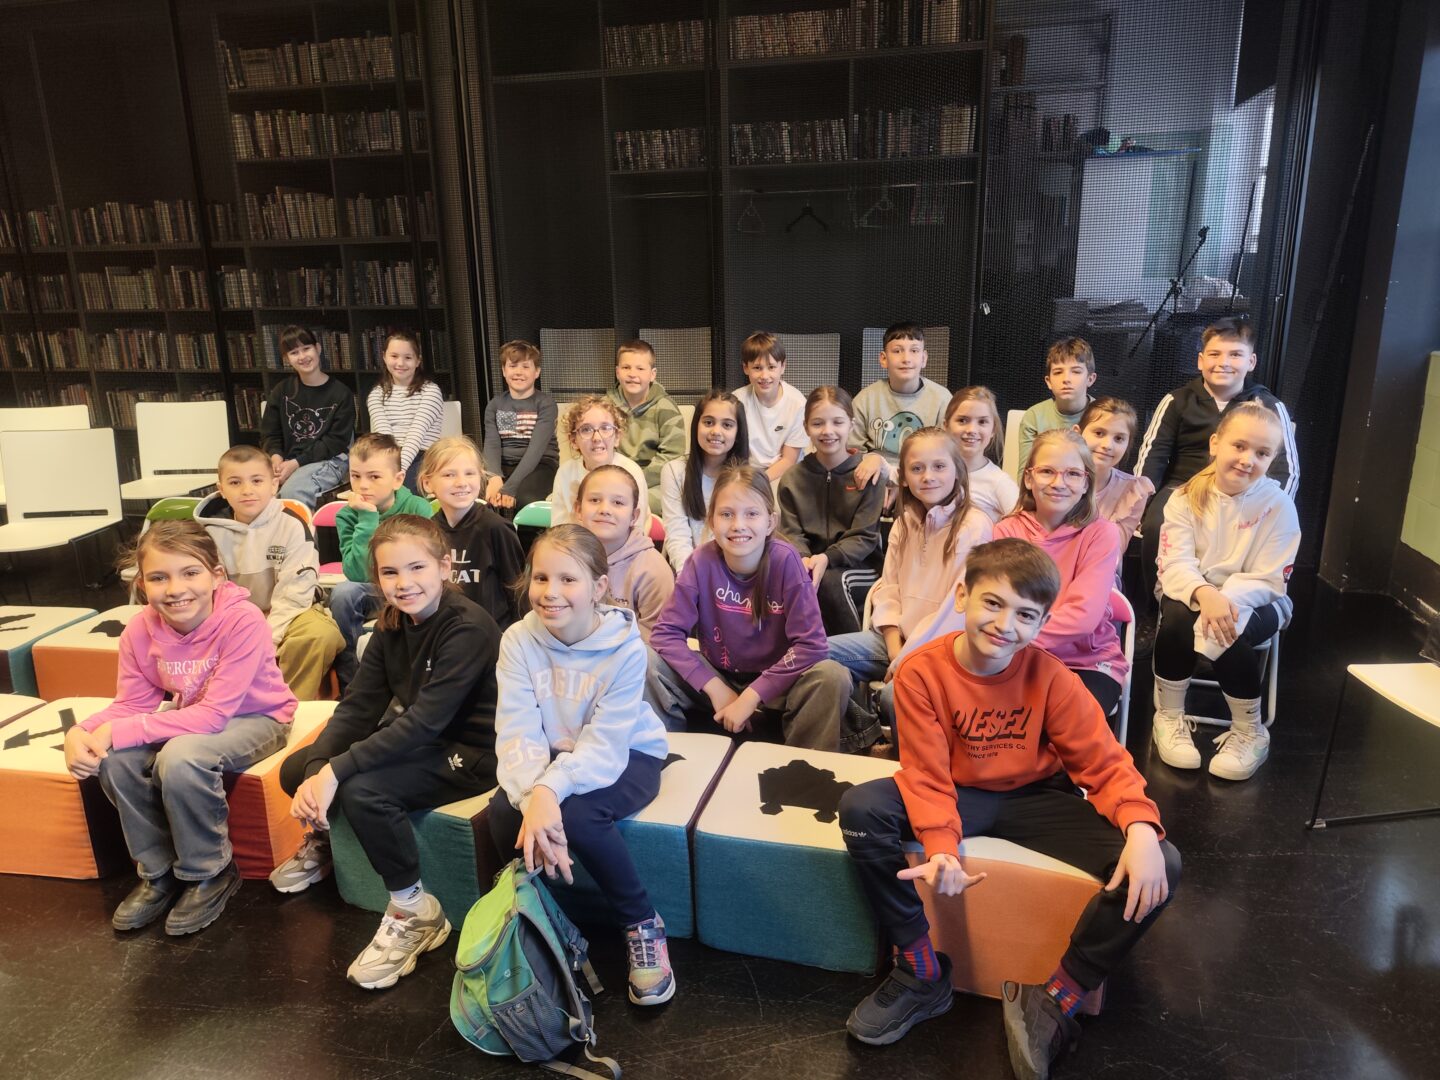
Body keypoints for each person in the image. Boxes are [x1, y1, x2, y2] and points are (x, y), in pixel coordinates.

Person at [838, 538, 1180, 1080]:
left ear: (1042, 622)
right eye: (992, 603)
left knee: (1164, 861)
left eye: (1025, 614)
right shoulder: (922, 672)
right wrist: (942, 849)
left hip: (1033, 798)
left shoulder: (1052, 676)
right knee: (862, 809)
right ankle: (922, 971)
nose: (1004, 625)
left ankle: (1055, 999)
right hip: (956, 793)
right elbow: (925, 774)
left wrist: (1140, 826)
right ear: (962, 596)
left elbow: (1104, 761)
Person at [271, 515, 500, 989]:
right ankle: (327, 836)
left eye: (417, 568)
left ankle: (416, 911)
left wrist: (337, 772)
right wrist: (319, 769)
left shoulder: (468, 627)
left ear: (444, 567)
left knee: (364, 792)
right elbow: (358, 707)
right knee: (296, 769)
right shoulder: (392, 622)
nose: (404, 582)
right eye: (390, 572)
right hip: (422, 738)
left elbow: (427, 720)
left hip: (472, 752)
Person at [63, 522, 296, 936]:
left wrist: (120, 730)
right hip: (193, 718)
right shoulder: (139, 630)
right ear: (141, 585)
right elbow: (132, 704)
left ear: (216, 576)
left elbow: (214, 716)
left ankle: (210, 871)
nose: (175, 589)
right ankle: (158, 872)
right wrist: (81, 732)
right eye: (158, 577)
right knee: (116, 761)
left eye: (190, 573)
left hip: (258, 718)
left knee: (180, 758)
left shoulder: (242, 620)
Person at [489, 524, 673, 1005]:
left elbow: (606, 743)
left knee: (581, 816)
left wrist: (550, 792)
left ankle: (642, 922)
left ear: (598, 586)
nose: (551, 592)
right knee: (504, 812)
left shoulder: (626, 648)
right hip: (555, 753)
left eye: (568, 579)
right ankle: (540, 922)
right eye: (541, 578)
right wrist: (533, 794)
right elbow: (517, 729)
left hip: (628, 751)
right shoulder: (517, 640)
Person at [647, 465, 862, 751]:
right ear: (711, 521)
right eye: (726, 514)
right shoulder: (700, 561)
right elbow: (665, 635)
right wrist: (716, 689)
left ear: (771, 522)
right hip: (720, 675)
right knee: (647, 660)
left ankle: (802, 766)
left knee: (832, 676)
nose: (738, 525)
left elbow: (812, 646)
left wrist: (751, 697)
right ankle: (669, 752)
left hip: (777, 683)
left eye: (751, 514)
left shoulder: (787, 561)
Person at [1152, 401, 1300, 781]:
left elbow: (1270, 579)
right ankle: (1168, 716)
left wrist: (1225, 601)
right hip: (1196, 593)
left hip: (1262, 599)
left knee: (1227, 626)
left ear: (1272, 459)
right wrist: (1207, 595)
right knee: (1176, 618)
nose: (1248, 459)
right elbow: (1174, 563)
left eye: (1262, 453)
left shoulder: (1279, 506)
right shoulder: (1184, 497)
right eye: (1239, 446)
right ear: (1215, 443)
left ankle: (1251, 732)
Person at [827, 428, 993, 723]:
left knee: (896, 696)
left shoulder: (974, 527)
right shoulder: (903, 524)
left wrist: (907, 659)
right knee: (814, 655)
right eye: (917, 469)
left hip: (945, 651)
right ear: (903, 477)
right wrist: (895, 649)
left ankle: (909, 753)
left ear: (958, 470)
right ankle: (863, 734)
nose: (928, 476)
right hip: (896, 641)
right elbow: (889, 589)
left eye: (939, 466)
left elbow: (955, 612)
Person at [1134, 318, 1298, 595]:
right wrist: (1142, 505)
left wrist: (1271, 507)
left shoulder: (1270, 406)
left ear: (1251, 362)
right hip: (1182, 488)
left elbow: (1287, 469)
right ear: (1200, 361)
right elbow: (1153, 455)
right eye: (1214, 354)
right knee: (1157, 522)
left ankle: (1232, 598)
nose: (1223, 362)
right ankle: (1159, 603)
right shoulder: (1176, 401)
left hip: (1246, 491)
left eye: (1235, 354)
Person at [195, 444, 343, 699]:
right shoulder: (208, 534)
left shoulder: (291, 525)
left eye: (257, 481)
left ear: (274, 485)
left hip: (289, 612)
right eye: (235, 482)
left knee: (320, 635)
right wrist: (246, 631)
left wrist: (267, 638)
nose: (247, 490)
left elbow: (294, 593)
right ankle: (230, 704)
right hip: (233, 618)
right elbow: (209, 595)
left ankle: (288, 705)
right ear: (221, 490)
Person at [995, 431, 1127, 715]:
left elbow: (1082, 616)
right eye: (1047, 471)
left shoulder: (1102, 534)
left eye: (1072, 474)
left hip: (1087, 662)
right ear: (1028, 478)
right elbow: (1000, 604)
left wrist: (1010, 637)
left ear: (1086, 483)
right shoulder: (1006, 531)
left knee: (1064, 723)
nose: (1058, 483)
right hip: (1016, 656)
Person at [777, 385, 885, 635]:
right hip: (810, 560)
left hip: (861, 565)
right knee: (788, 575)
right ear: (806, 428)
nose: (828, 431)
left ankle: (852, 652)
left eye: (838, 422)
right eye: (818, 423)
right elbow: (791, 533)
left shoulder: (868, 474)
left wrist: (827, 558)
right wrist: (803, 559)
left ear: (851, 425)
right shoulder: (792, 478)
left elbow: (864, 537)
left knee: (829, 581)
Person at [330, 433, 435, 681]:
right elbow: (356, 573)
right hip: (373, 590)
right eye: (355, 476)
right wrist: (367, 517)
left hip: (411, 587)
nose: (363, 486)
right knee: (343, 594)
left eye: (374, 477)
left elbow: (424, 563)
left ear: (398, 480)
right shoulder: (347, 515)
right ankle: (352, 677)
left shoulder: (417, 507)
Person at [420, 436, 526, 630]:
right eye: (449, 475)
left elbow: (518, 593)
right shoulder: (426, 532)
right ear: (428, 483)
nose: (462, 482)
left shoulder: (497, 529)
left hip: (490, 633)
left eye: (470, 473)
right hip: (445, 631)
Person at [575, 464, 674, 644]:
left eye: (618, 503)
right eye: (595, 500)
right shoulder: (566, 558)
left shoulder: (652, 570)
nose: (605, 509)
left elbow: (657, 643)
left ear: (634, 517)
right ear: (578, 510)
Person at [259, 324, 355, 509]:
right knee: (255, 492)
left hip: (329, 460)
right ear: (286, 359)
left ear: (318, 348)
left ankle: (303, 529)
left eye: (306, 348)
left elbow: (335, 442)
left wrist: (296, 463)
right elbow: (270, 433)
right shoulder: (281, 391)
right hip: (286, 461)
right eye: (294, 352)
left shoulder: (341, 393)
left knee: (292, 494)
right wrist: (276, 458)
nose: (302, 356)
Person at [851, 323, 951, 496]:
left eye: (914, 350)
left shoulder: (942, 399)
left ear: (924, 358)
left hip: (922, 480)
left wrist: (902, 487)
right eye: (897, 351)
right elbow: (852, 450)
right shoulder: (865, 399)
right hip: (875, 479)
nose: (906, 358)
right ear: (883, 359)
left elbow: (946, 455)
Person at [659, 388, 749, 573]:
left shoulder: (748, 477)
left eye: (727, 425)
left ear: (738, 433)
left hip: (735, 572)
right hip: (689, 571)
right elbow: (677, 535)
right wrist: (690, 578)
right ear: (696, 426)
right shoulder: (674, 471)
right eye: (708, 422)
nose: (716, 431)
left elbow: (747, 541)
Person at [607, 339, 686, 515]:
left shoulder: (666, 408)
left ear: (652, 374)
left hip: (652, 483)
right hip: (612, 479)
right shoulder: (605, 406)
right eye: (626, 367)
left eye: (640, 369)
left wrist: (636, 480)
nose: (632, 374)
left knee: (646, 502)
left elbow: (672, 456)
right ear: (618, 372)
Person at [548, 394, 650, 529]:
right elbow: (559, 527)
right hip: (578, 541)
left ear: (617, 437)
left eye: (605, 428)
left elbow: (637, 528)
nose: (596, 437)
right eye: (586, 429)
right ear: (573, 440)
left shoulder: (631, 472)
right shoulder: (565, 473)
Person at [483, 339, 560, 515]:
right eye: (513, 366)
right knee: (477, 496)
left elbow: (535, 450)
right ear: (504, 371)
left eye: (525, 366)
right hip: (503, 465)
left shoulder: (546, 404)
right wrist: (494, 477)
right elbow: (492, 444)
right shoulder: (495, 405)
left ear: (537, 372)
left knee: (526, 500)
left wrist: (510, 487)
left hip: (540, 465)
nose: (518, 372)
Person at [365, 329, 445, 493]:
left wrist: (397, 471)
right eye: (394, 356)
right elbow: (385, 438)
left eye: (408, 357)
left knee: (401, 490)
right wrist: (390, 467)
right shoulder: (376, 395)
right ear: (384, 357)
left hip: (423, 455)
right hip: (389, 455)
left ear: (418, 361)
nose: (400, 363)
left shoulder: (431, 391)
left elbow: (416, 435)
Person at [1015, 338, 1096, 484]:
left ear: (1090, 378)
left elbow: (1107, 472)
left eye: (1076, 371)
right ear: (1048, 381)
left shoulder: (1104, 416)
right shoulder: (1034, 416)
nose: (1066, 379)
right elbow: (1025, 474)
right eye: (1058, 372)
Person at [733, 331, 808, 484]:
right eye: (757, 368)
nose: (765, 376)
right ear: (746, 368)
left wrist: (757, 484)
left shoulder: (797, 403)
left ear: (783, 366)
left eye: (771, 367)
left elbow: (789, 460)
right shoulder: (737, 401)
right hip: (748, 473)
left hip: (786, 473)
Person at [1076, 396, 1154, 539]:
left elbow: (1117, 546)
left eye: (1118, 438)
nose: (1107, 445)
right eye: (1099, 433)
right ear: (1077, 433)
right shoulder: (1056, 479)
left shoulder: (1132, 492)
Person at [944, 385, 1018, 523]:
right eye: (962, 420)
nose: (972, 430)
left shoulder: (1000, 483)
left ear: (993, 430)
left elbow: (1022, 529)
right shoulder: (934, 474)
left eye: (982, 422)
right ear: (946, 425)